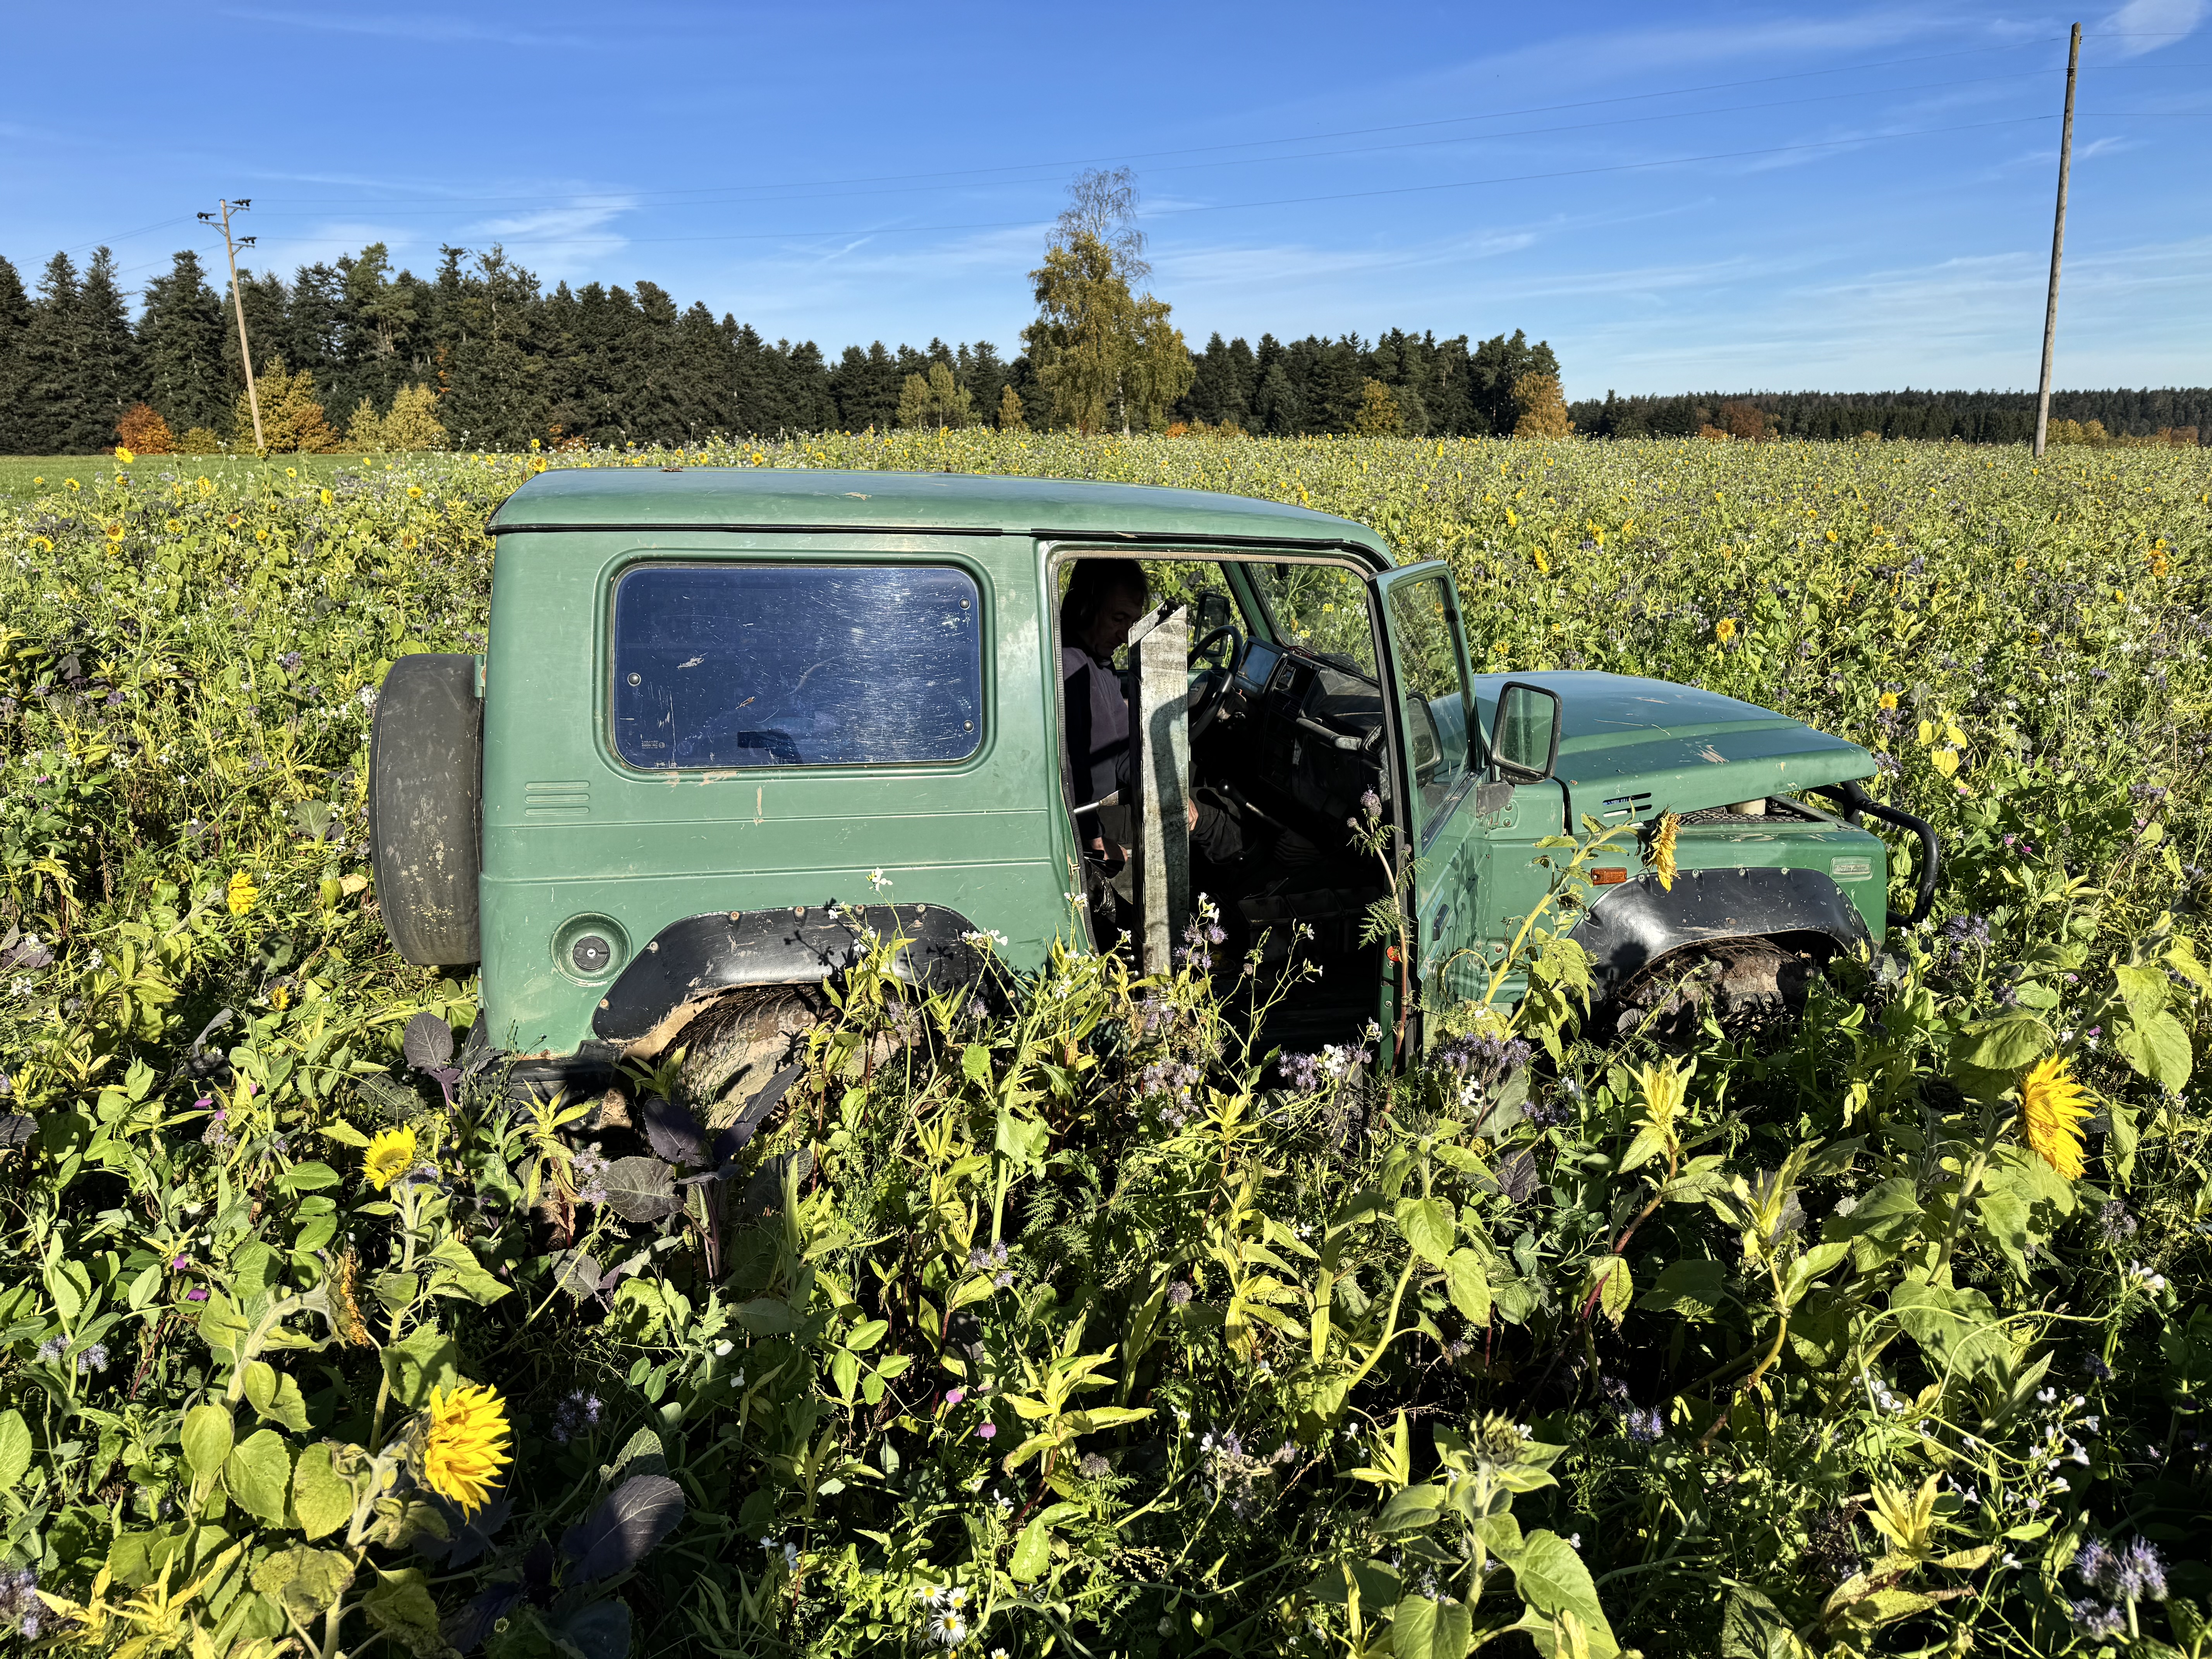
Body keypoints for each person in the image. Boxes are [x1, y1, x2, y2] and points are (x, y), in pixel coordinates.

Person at [1058, 559, 1242, 874]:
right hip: (1089, 817)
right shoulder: (1071, 670)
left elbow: (1119, 749)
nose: (1124, 634)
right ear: (1085, 608)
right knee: (1216, 815)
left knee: (1195, 782)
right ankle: (1241, 892)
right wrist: (1093, 839)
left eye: (1131, 622)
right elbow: (1067, 776)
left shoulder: (1096, 662)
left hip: (1105, 800)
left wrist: (1169, 789)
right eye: (1118, 618)